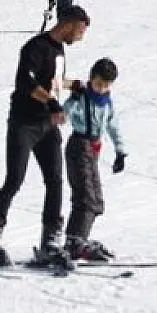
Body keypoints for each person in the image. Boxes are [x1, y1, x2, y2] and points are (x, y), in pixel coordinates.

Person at [0, 5, 91, 269]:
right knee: (14, 179)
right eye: (80, 31)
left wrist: (75, 85)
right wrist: (50, 102)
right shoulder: (34, 47)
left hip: (48, 126)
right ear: (69, 24)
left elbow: (53, 80)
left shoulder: (60, 51)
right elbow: (25, 81)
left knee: (55, 181)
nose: (80, 37)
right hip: (24, 124)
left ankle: (50, 243)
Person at [61, 56, 126, 262]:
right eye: (98, 84)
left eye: (106, 85)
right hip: (79, 147)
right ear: (91, 79)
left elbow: (113, 125)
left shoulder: (106, 102)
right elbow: (64, 114)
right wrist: (72, 98)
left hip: (94, 150)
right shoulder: (82, 97)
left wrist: (120, 151)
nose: (101, 89)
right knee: (86, 196)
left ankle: (79, 239)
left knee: (96, 199)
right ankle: (75, 242)